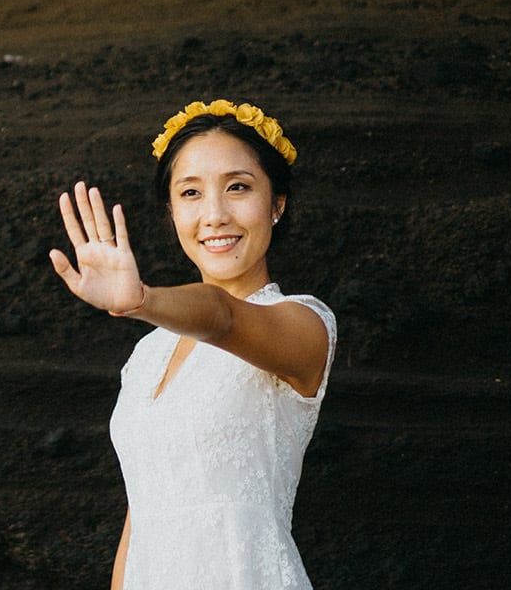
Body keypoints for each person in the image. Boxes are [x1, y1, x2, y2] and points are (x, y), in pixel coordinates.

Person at [47, 99, 336, 589]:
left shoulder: (305, 323)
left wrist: (139, 299)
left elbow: (221, 315)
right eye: (191, 193)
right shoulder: (146, 357)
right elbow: (140, 517)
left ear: (277, 204)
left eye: (238, 188)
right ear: (172, 210)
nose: (215, 215)